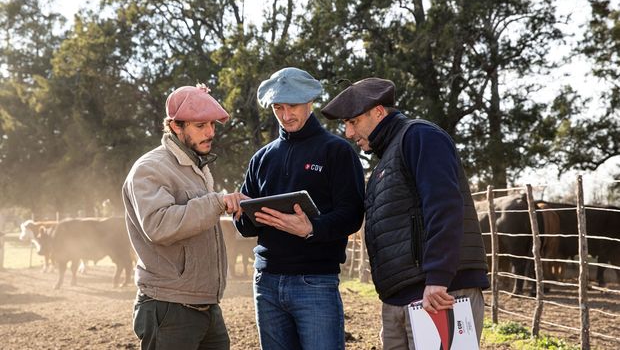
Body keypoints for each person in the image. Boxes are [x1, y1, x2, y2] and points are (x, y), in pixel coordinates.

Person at [321, 78, 489, 349]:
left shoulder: (420, 136)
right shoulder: (386, 158)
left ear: (378, 112)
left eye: (353, 122)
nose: (348, 133)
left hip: (439, 293)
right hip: (402, 298)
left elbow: (444, 206)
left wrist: (438, 276)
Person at [234, 67, 365, 350]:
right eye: (278, 107)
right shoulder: (261, 158)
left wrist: (311, 228)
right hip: (266, 282)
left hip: (314, 281)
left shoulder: (337, 151)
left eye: (292, 105)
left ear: (310, 102)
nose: (285, 114)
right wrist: (239, 210)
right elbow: (246, 228)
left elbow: (352, 214)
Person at [122, 83, 248, 350]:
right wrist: (216, 203)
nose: (211, 132)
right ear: (175, 126)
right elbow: (158, 225)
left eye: (212, 124)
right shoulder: (151, 168)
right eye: (200, 125)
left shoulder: (195, 169)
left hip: (205, 305)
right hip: (169, 307)